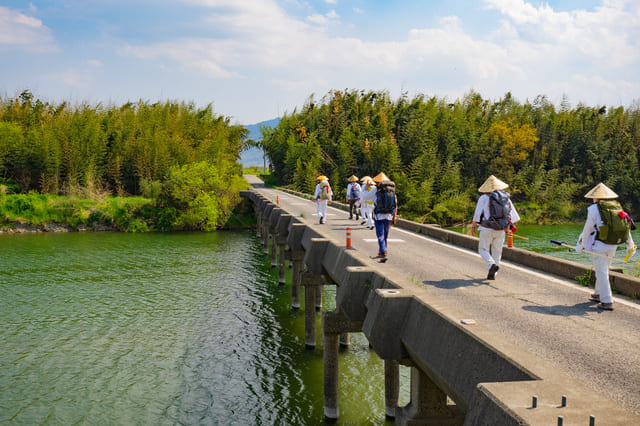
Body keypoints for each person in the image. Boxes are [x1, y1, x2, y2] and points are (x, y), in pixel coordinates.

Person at [576, 183, 635, 310]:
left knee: (602, 271)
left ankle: (607, 300)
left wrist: (581, 244)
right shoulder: (617, 207)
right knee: (603, 269)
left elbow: (588, 229)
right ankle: (598, 294)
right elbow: (625, 227)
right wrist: (630, 244)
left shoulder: (593, 209)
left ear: (596, 197)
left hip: (599, 245)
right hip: (613, 244)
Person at [471, 175, 520, 280]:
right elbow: (513, 215)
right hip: (501, 229)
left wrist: (474, 225)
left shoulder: (483, 198)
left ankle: (491, 265)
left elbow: (477, 213)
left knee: (483, 249)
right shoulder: (506, 198)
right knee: (497, 251)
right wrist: (508, 227)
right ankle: (493, 273)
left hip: (486, 228)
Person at [362, 172, 397, 262]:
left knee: (380, 235)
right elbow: (395, 206)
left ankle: (383, 252)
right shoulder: (392, 191)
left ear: (378, 182)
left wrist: (366, 187)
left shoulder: (376, 190)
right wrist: (394, 217)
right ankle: (381, 250)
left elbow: (365, 197)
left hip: (379, 216)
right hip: (389, 216)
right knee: (385, 235)